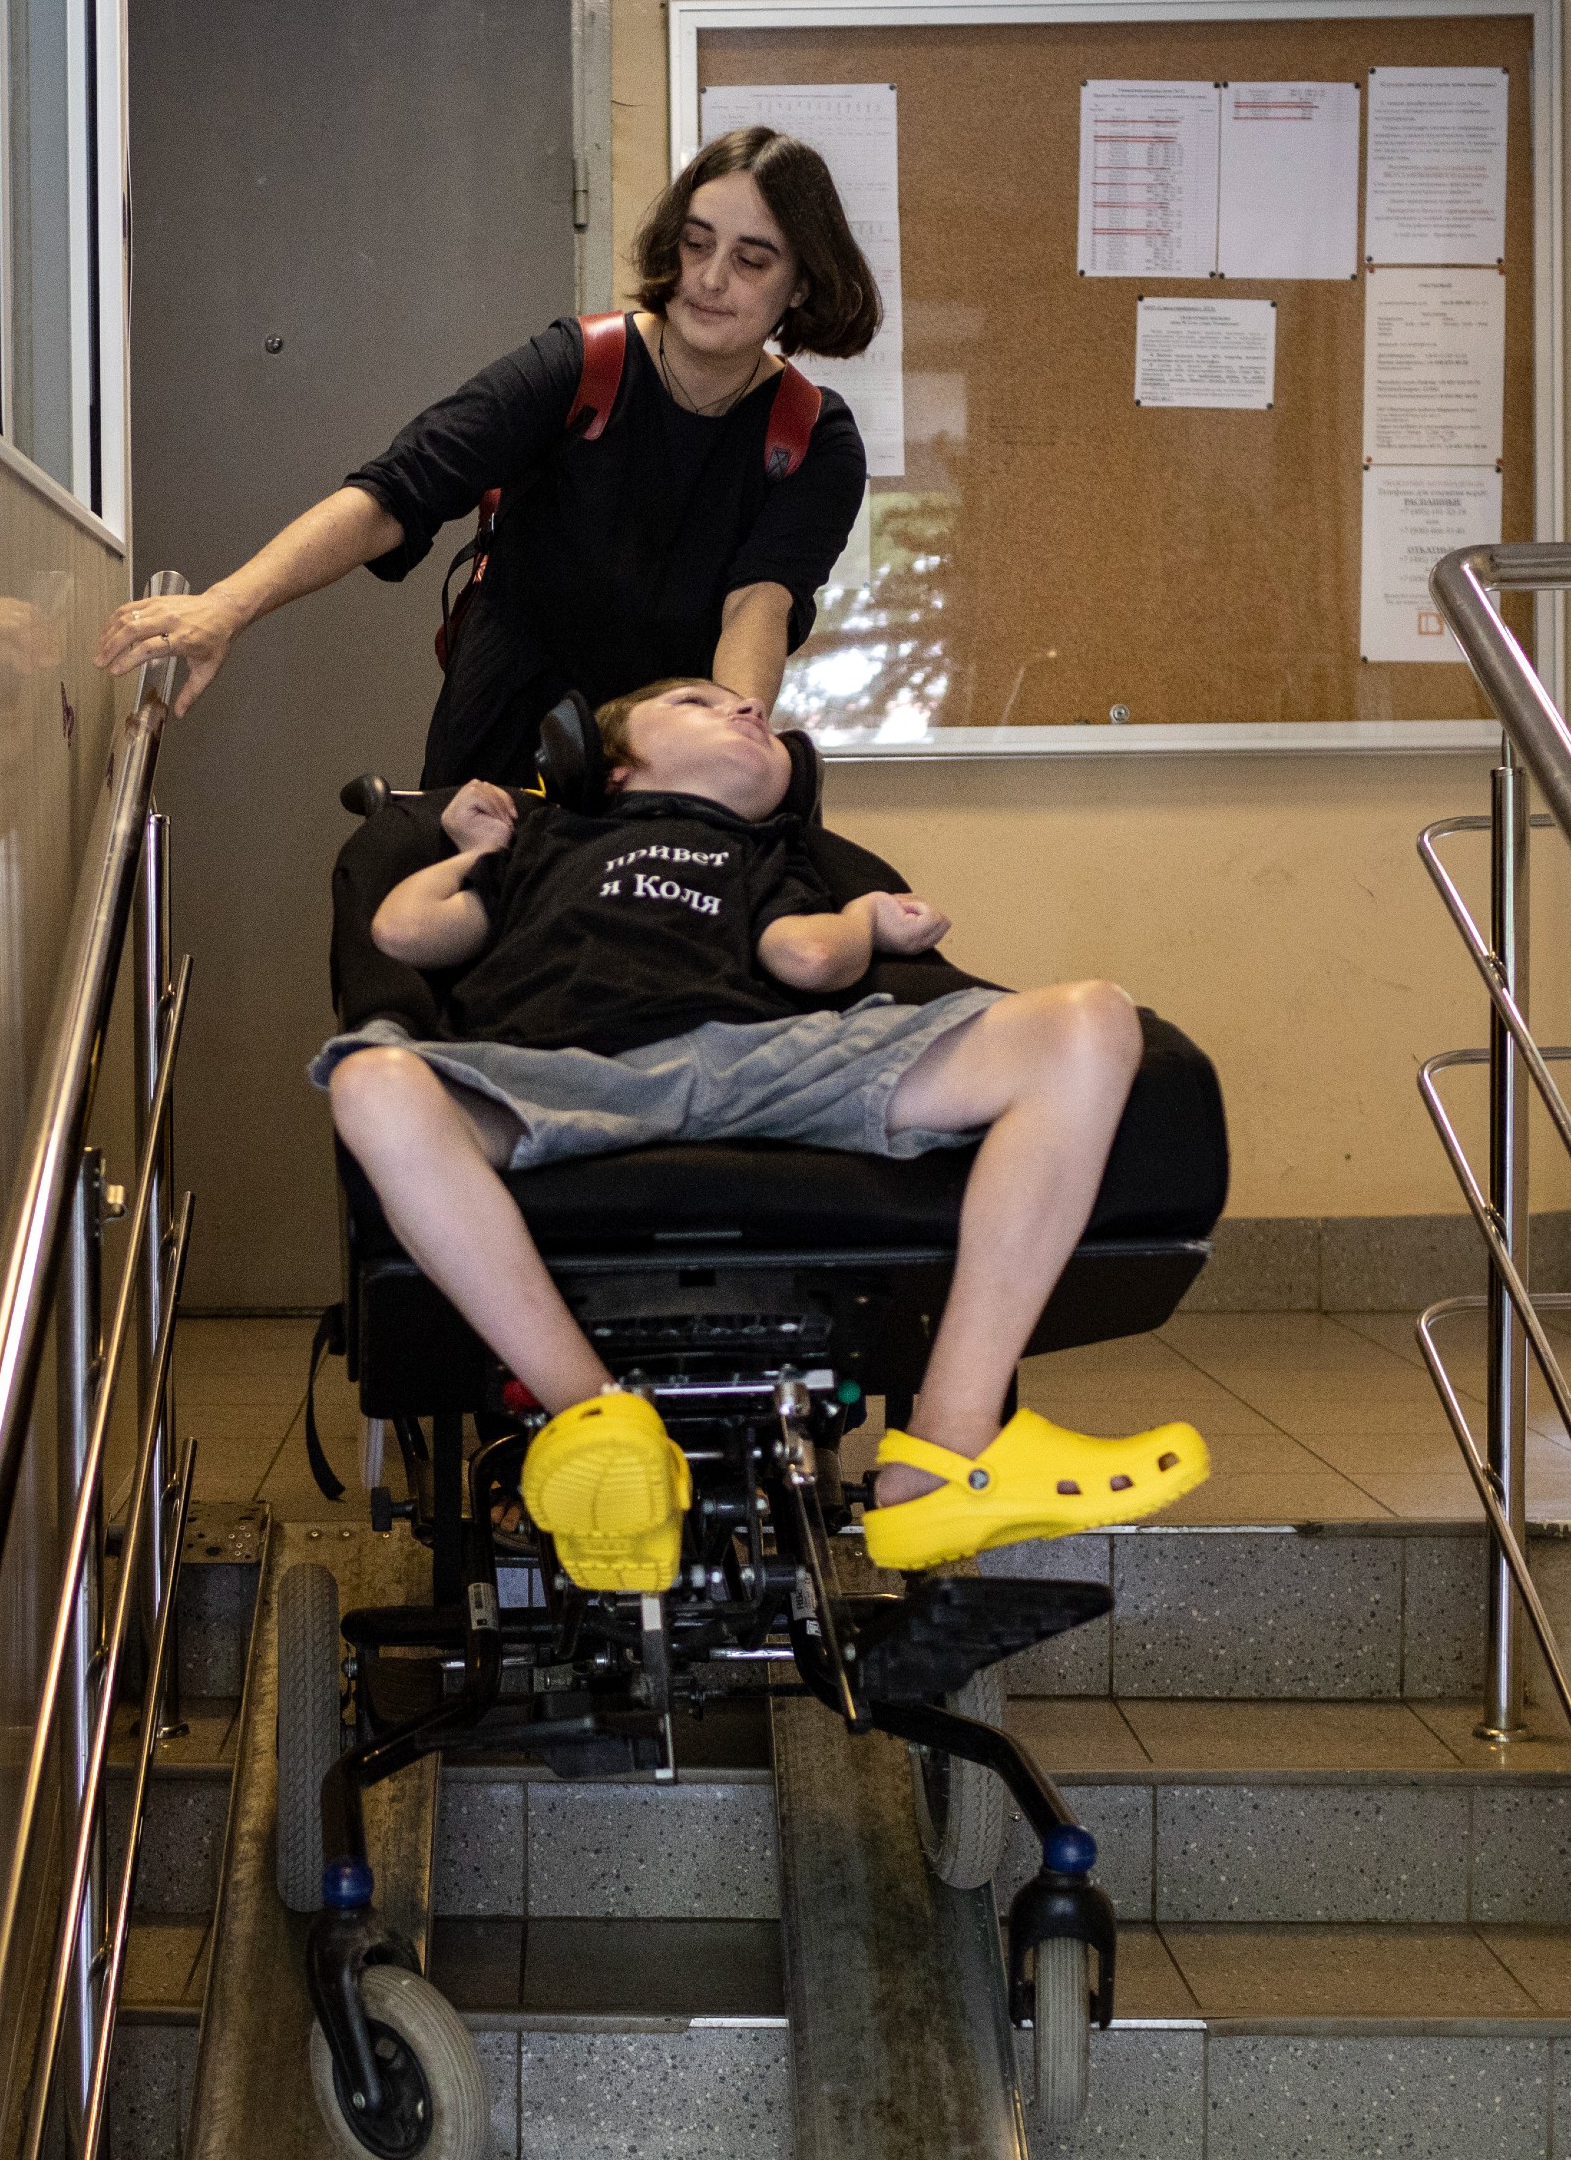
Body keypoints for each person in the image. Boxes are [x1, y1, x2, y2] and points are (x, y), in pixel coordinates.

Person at [313, 678, 1210, 1588]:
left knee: (1090, 1019)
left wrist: (862, 920)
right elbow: (404, 931)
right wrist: (474, 847)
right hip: (560, 1071)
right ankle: (598, 1425)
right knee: (372, 1079)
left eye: (753, 712)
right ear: (611, 766)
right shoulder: (545, 842)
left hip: (763, 1058)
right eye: (699, 704)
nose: (745, 709)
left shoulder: (770, 852)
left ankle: (947, 1450)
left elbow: (807, 957)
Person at [96, 128, 879, 789]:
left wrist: (723, 769)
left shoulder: (811, 438)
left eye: (751, 260)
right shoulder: (581, 366)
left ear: (803, 283)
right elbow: (395, 492)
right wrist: (227, 606)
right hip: (504, 743)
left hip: (661, 769)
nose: (708, 279)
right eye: (697, 243)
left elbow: (759, 606)